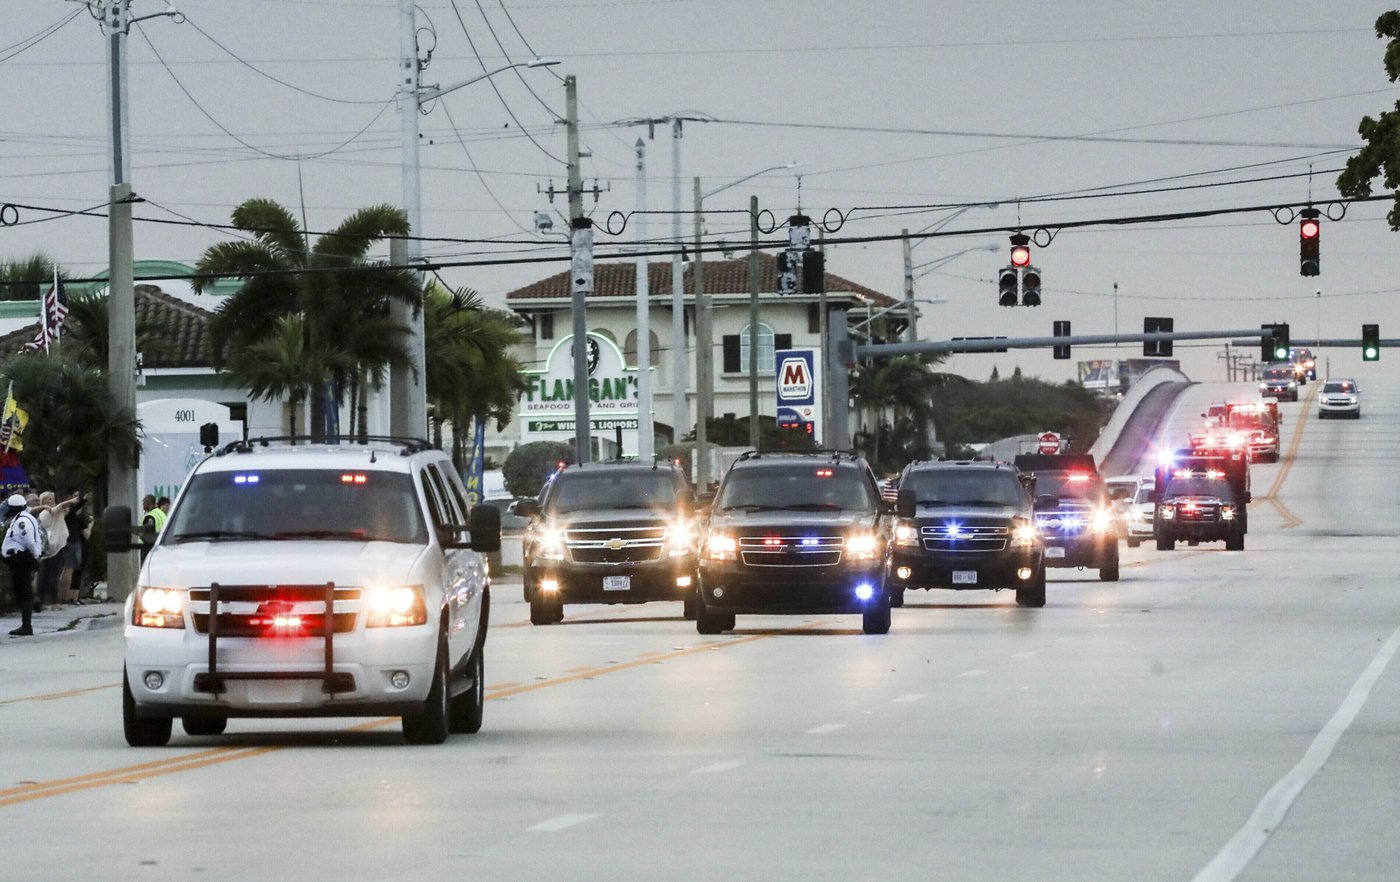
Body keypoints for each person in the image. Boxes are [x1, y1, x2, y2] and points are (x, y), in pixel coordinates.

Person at [3, 493, 43, 636]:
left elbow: (29, 542)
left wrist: (34, 556)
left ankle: (26, 626)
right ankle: (33, 605)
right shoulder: (20, 518)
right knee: (22, 590)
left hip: (22, 559)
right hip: (19, 560)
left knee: (24, 592)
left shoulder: (23, 521)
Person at [59, 495, 90, 605]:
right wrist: (83, 499)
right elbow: (74, 508)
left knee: (77, 570)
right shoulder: (68, 515)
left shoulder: (78, 519)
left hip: (77, 543)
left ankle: (73, 598)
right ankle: (65, 597)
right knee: (69, 568)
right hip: (70, 542)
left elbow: (86, 534)